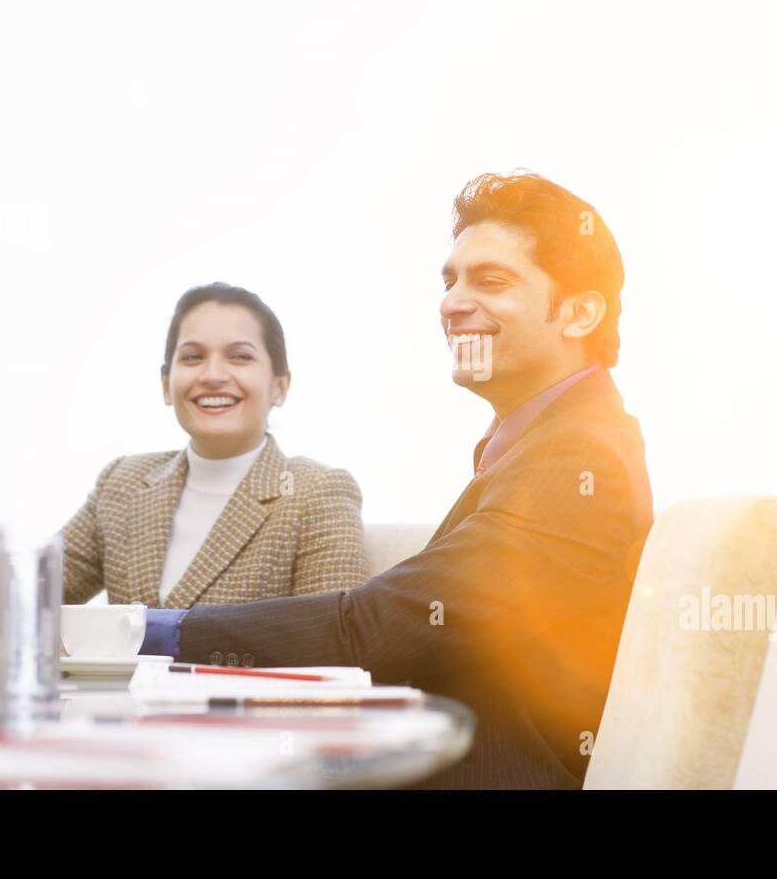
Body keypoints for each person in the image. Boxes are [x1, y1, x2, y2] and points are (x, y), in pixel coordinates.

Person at [142, 173, 653, 788]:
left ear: (578, 312)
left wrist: (146, 632)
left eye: (491, 281)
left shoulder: (579, 456)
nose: (452, 303)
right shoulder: (547, 443)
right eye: (450, 280)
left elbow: (380, 628)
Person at [60, 283, 369, 611]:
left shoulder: (317, 493)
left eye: (240, 356)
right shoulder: (123, 482)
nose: (213, 375)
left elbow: (330, 641)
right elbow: (25, 592)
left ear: (279, 387)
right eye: (193, 357)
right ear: (166, 386)